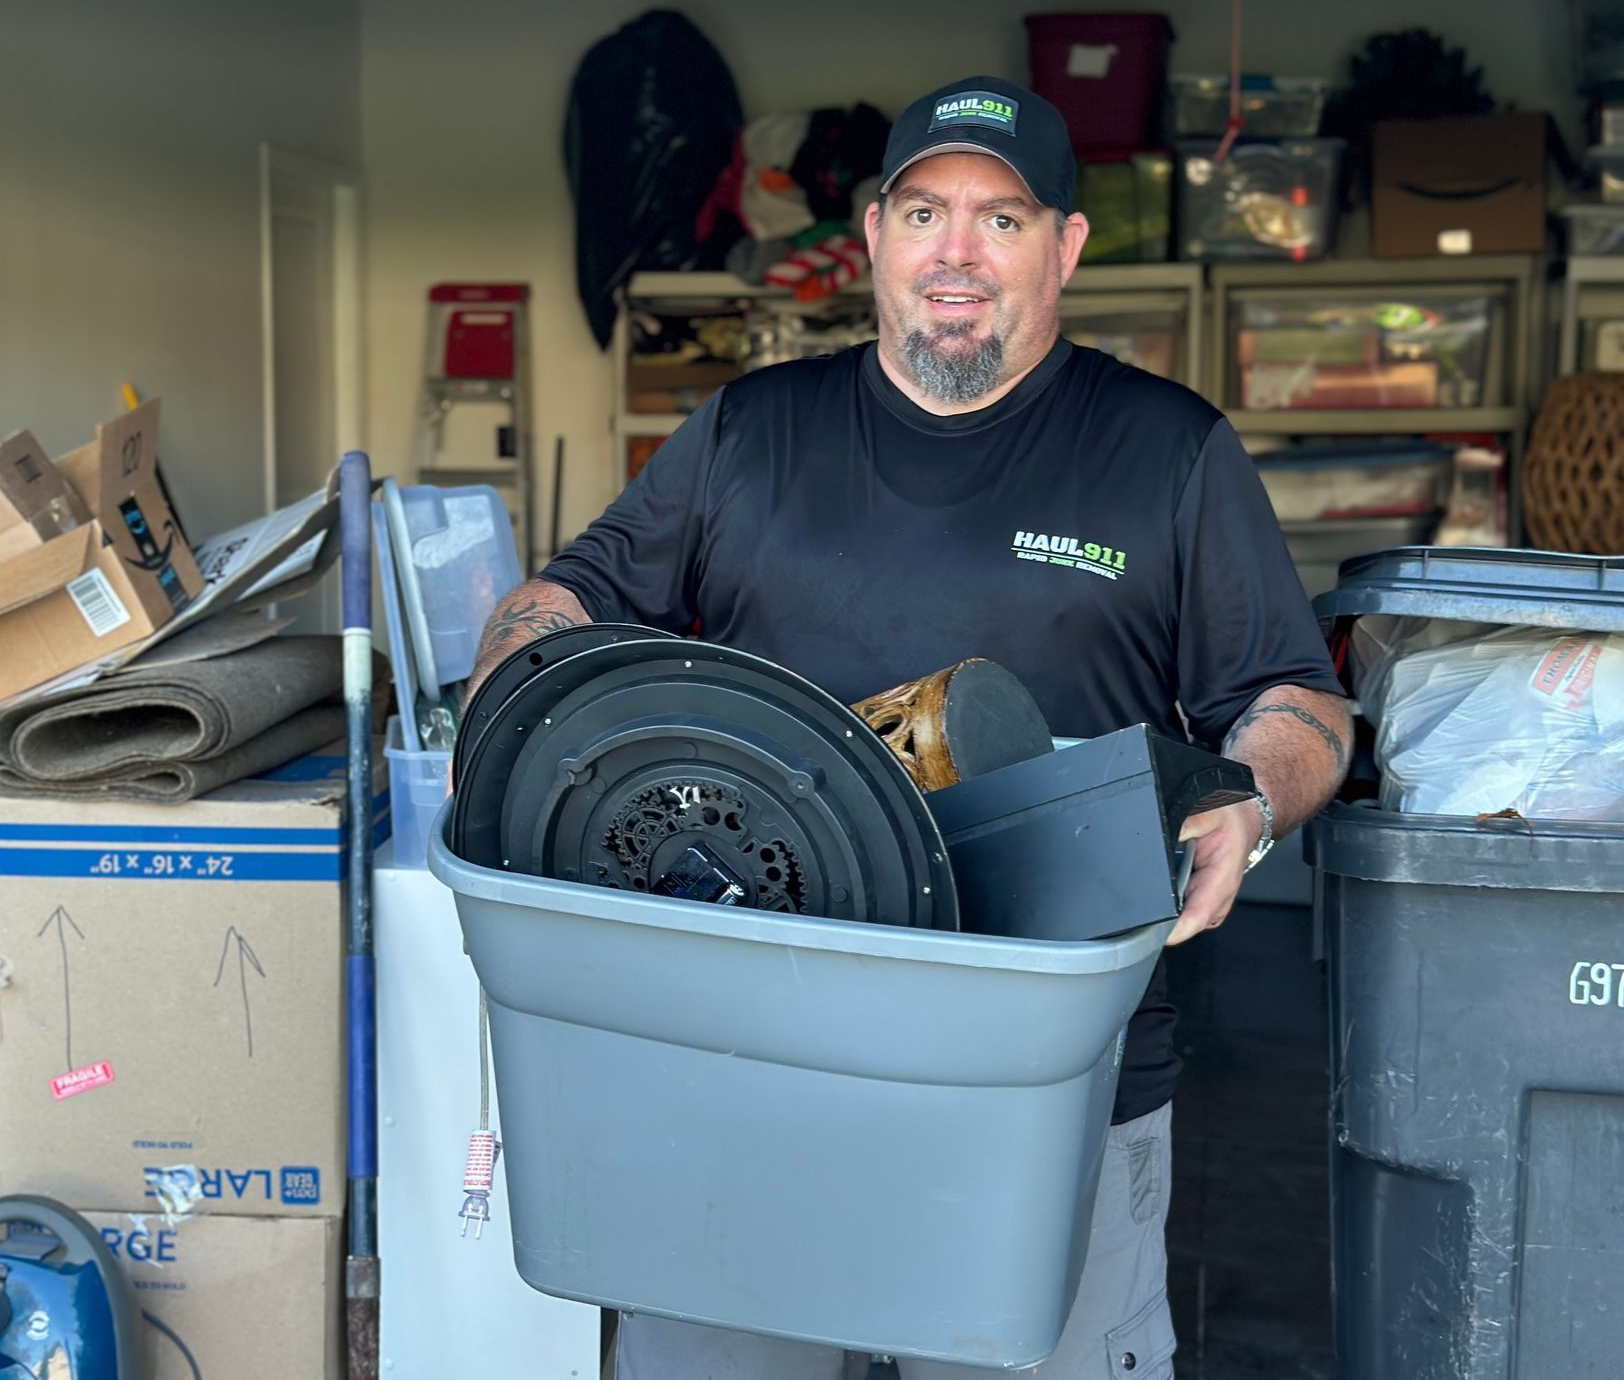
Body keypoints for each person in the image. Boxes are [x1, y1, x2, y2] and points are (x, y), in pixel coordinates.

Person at [464, 76, 1352, 1380]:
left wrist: (1253, 796)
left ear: (1066, 248)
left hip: (1051, 1079)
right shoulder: (750, 435)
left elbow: (1298, 697)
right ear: (874, 234)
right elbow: (567, 595)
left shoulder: (1169, 451)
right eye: (925, 210)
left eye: (1001, 219)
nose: (956, 252)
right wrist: (515, 680)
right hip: (747, 1057)